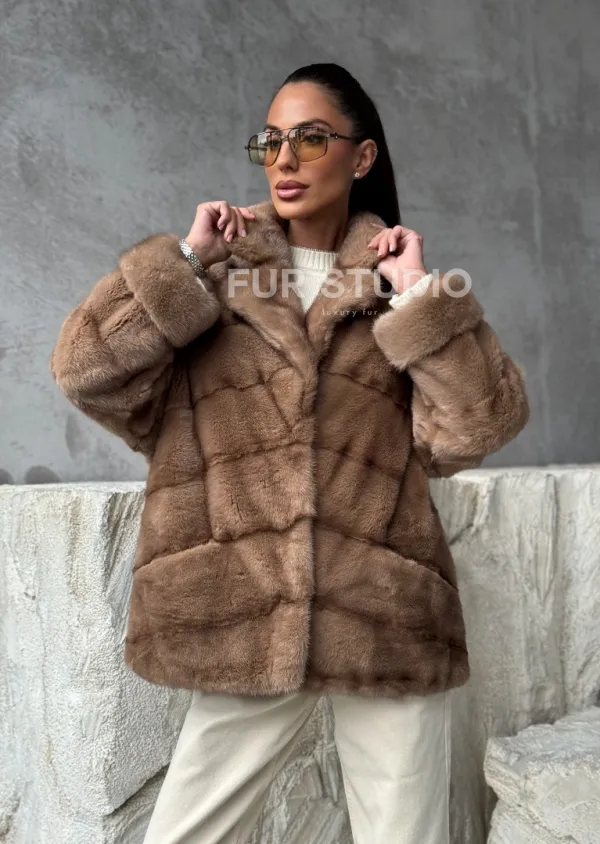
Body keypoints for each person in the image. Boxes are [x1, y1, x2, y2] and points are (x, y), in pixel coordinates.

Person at [49, 62, 529, 844]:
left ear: (362, 156)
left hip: (383, 613)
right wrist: (186, 260)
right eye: (270, 141)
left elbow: (479, 426)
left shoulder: (393, 287)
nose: (284, 159)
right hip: (244, 608)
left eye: (310, 139)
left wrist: (417, 293)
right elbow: (86, 370)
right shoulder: (217, 277)